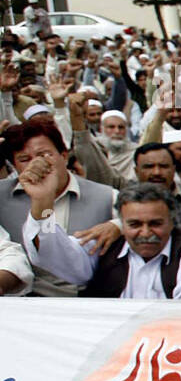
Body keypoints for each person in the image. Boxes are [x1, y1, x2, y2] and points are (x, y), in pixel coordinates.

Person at [20, 178, 181, 300]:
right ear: (121, 223)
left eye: (155, 223)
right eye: (135, 225)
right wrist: (43, 205)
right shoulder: (105, 244)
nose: (145, 233)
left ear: (172, 221)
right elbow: (51, 251)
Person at [0, 117, 116, 296]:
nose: (36, 164)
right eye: (24, 159)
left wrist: (119, 225)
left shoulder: (106, 196)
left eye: (44, 155)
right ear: (14, 166)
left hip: (89, 302)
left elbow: (154, 217)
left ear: (64, 155)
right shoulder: (1, 195)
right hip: (23, 304)